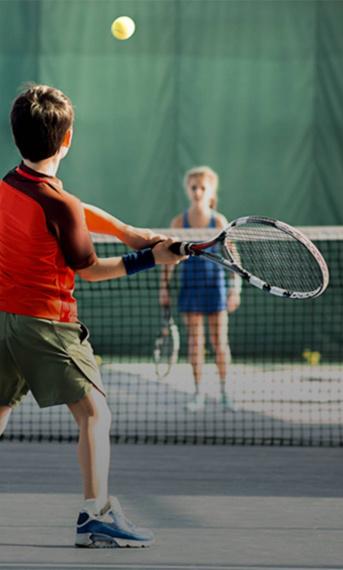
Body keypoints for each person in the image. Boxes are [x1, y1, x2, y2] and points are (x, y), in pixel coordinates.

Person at [0, 84, 185, 548]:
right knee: (94, 414)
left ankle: (96, 511)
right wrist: (149, 259)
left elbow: (72, 209)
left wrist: (126, 232)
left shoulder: (10, 183)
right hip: (47, 324)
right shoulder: (58, 205)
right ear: (68, 141)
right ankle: (95, 513)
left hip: (4, 320)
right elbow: (91, 270)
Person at [159, 166, 241, 412]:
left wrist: (235, 289)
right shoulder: (178, 222)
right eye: (193, 187)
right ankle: (198, 393)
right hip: (190, 288)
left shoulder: (218, 221)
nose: (197, 192)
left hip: (215, 289)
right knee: (195, 343)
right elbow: (168, 259)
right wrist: (163, 288)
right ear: (188, 190)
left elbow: (234, 257)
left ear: (211, 191)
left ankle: (225, 391)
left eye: (202, 188)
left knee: (219, 342)